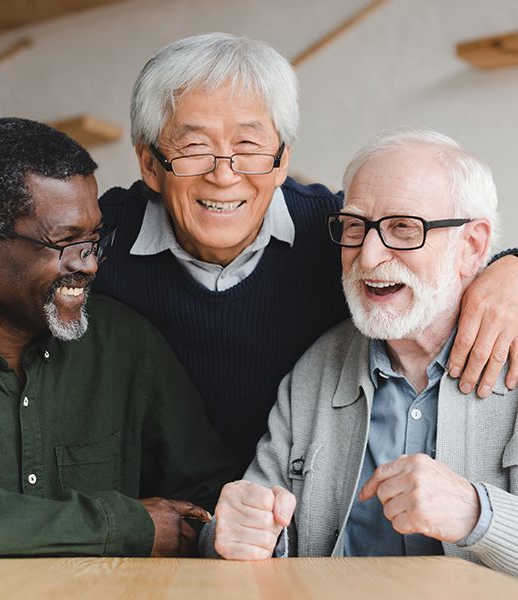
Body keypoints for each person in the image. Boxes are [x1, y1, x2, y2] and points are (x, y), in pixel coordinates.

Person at [0, 34, 518, 472]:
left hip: (305, 505)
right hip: (160, 517)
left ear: (282, 160)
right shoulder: (104, 236)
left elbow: (434, 253)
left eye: (250, 146)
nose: (224, 175)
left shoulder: (342, 234)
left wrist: (509, 267)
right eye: (195, 147)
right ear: (150, 163)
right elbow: (5, 262)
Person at [0, 117, 236, 558]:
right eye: (66, 242)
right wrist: (114, 525)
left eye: (94, 239)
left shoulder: (126, 344)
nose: (89, 265)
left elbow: (208, 501)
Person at [206, 129, 518, 576]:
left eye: (403, 228)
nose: (368, 256)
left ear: (471, 246)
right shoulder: (316, 368)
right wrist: (232, 533)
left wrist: (477, 513)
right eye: (356, 226)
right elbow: (249, 531)